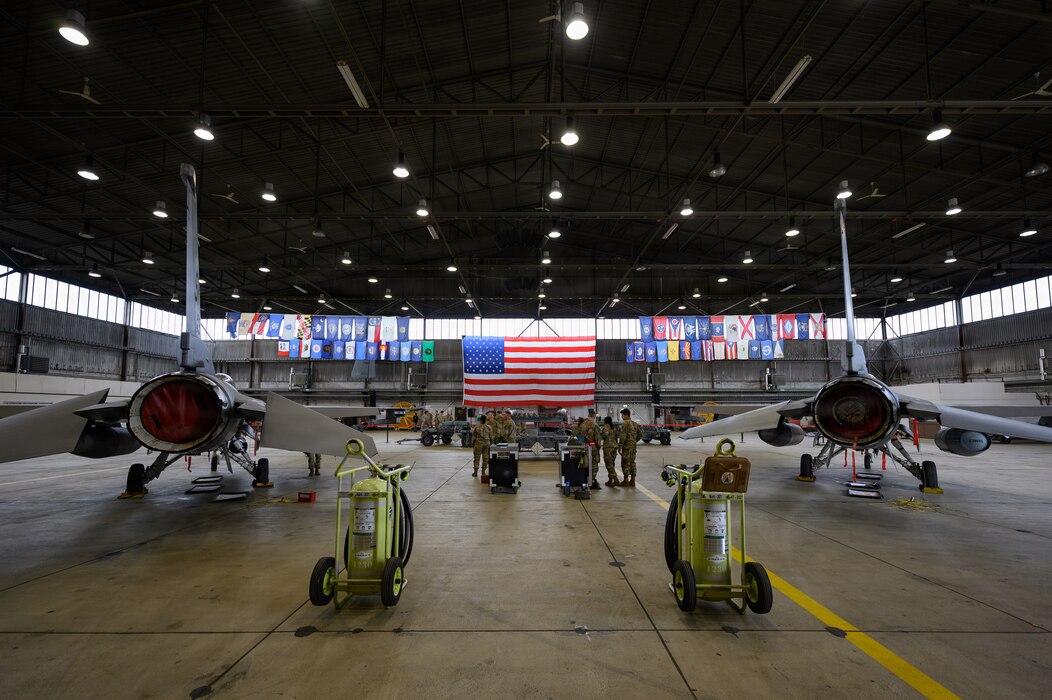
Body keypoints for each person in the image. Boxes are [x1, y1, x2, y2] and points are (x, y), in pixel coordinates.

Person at [618, 408, 642, 487]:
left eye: (622, 415)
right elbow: (640, 435)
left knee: (625, 463)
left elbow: (623, 436)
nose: (622, 416)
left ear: (626, 415)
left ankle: (625, 481)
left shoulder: (625, 423)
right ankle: (633, 480)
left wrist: (620, 446)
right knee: (632, 462)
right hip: (633, 446)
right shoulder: (635, 423)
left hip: (627, 447)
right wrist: (634, 441)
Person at [581, 409, 601, 489]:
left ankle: (584, 479)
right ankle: (591, 480)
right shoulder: (595, 425)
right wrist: (598, 447)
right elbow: (597, 439)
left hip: (584, 447)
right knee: (594, 464)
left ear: (588, 416)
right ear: (594, 416)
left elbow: (580, 436)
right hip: (592, 447)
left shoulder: (583, 424)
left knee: (584, 463)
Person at [601, 416, 621, 487]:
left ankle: (615, 479)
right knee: (612, 463)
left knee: (608, 464)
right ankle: (610, 480)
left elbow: (605, 436)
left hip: (608, 447)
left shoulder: (606, 426)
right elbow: (616, 437)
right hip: (614, 447)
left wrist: (601, 435)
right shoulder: (614, 427)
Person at [471, 414, 491, 478]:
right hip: (486, 444)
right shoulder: (489, 427)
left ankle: (475, 472)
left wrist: (473, 444)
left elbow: (474, 436)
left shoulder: (477, 427)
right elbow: (491, 437)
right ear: (486, 420)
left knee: (477, 457)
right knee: (485, 458)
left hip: (478, 444)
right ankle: (483, 472)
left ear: (480, 420)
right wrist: (491, 443)